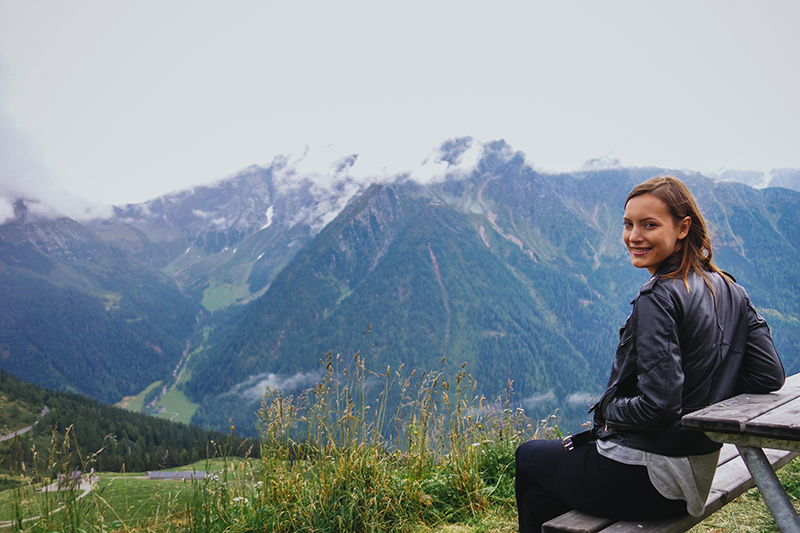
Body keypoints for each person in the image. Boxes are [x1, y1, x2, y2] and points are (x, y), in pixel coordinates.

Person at [514, 176, 785, 532]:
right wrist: (705, 394)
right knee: (539, 502)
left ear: (683, 227)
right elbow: (770, 375)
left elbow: (658, 407)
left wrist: (609, 408)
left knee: (528, 455)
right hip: (697, 472)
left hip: (652, 479)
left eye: (649, 225)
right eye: (628, 224)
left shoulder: (658, 297)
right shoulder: (730, 288)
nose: (634, 236)